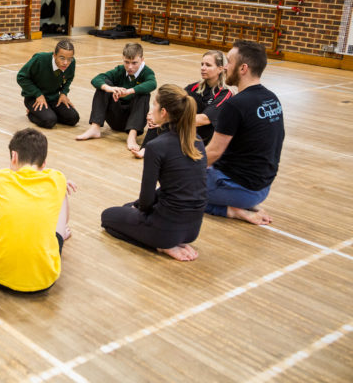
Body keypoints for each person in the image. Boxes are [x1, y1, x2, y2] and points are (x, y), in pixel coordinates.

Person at [101, 85, 208, 261]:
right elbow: (183, 187)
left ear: (164, 112)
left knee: (107, 217)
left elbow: (146, 200)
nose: (151, 110)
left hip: (166, 230)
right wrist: (136, 206)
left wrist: (141, 209)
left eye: (154, 105)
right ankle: (166, 238)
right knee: (128, 207)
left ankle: (160, 245)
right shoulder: (196, 141)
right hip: (192, 229)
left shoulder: (156, 146)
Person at [0, 128, 75, 293]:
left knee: (0, 218)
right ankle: (61, 234)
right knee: (63, 193)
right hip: (43, 281)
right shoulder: (58, 178)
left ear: (13, 157)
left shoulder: (0, 178)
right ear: (44, 163)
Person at [205, 40, 284, 225]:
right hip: (262, 189)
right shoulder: (272, 99)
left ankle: (232, 211)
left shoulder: (235, 105)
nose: (225, 67)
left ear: (243, 68)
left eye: (229, 62)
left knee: (172, 187)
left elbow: (214, 153)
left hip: (238, 190)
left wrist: (183, 169)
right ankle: (245, 204)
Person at [132, 50, 232, 158]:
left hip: (204, 137)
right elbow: (172, 102)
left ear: (220, 68)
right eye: (202, 64)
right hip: (188, 128)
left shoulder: (225, 94)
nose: (203, 68)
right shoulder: (195, 87)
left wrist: (166, 120)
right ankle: (146, 148)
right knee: (163, 112)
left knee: (166, 118)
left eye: (208, 65)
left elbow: (204, 119)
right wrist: (154, 114)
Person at [76, 42, 157, 151]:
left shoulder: (147, 72)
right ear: (123, 59)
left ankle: (132, 136)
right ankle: (95, 128)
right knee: (103, 86)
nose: (130, 67)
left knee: (144, 93)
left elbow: (152, 84)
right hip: (116, 118)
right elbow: (96, 79)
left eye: (134, 63)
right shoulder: (120, 70)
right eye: (126, 62)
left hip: (133, 119)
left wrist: (129, 91)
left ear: (142, 59)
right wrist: (109, 88)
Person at [16, 39, 79, 129]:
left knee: (73, 119)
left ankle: (49, 112)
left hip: (54, 98)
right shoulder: (40, 59)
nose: (66, 63)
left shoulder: (71, 63)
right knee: (49, 121)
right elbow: (21, 77)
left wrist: (64, 93)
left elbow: (69, 78)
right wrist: (38, 94)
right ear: (54, 55)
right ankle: (31, 112)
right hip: (34, 98)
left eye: (69, 59)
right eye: (62, 58)